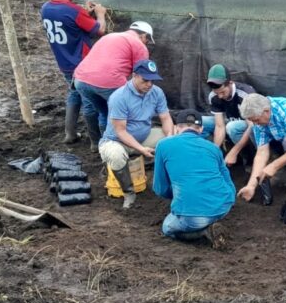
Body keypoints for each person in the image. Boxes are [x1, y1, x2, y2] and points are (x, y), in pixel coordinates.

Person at [40, 0, 107, 144]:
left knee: (73, 93)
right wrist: (100, 14)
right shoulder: (74, 11)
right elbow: (99, 30)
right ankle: (95, 141)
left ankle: (70, 133)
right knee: (90, 101)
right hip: (82, 63)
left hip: (64, 62)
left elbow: (70, 22)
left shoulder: (46, 8)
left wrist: (85, 13)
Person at [98, 58, 174, 209]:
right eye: (145, 80)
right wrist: (141, 149)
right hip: (116, 141)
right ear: (134, 75)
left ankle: (173, 184)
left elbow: (165, 118)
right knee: (115, 155)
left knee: (174, 139)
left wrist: (171, 138)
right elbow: (120, 131)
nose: (149, 84)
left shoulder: (156, 92)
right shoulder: (119, 97)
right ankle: (129, 192)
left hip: (144, 136)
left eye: (152, 80)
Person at [152, 109, 235, 246]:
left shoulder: (163, 145)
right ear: (201, 129)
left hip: (194, 217)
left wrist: (176, 195)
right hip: (223, 207)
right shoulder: (213, 148)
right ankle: (210, 222)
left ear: (177, 128)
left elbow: (160, 188)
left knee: (167, 228)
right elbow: (227, 179)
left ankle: (204, 232)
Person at [73, 21, 154, 147]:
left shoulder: (109, 37)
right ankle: (115, 147)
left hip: (81, 79)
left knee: (103, 112)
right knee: (118, 115)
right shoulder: (138, 45)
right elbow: (142, 74)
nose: (146, 43)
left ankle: (97, 145)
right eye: (147, 40)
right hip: (108, 82)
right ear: (144, 35)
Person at [199, 64, 256, 164]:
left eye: (223, 92)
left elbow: (253, 125)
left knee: (232, 127)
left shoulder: (246, 94)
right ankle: (209, 155)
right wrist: (215, 150)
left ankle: (248, 158)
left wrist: (234, 152)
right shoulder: (213, 96)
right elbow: (219, 126)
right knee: (199, 121)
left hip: (250, 124)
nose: (220, 96)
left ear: (230, 83)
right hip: (229, 120)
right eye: (217, 93)